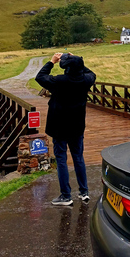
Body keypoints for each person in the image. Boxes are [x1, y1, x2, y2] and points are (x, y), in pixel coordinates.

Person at [36, 53, 96, 206]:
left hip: (59, 126)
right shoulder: (85, 80)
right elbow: (91, 73)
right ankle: (84, 192)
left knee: (61, 159)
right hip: (77, 126)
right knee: (78, 157)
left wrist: (52, 62)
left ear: (66, 68)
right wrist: (76, 58)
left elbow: (40, 77)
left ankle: (66, 195)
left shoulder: (59, 81)